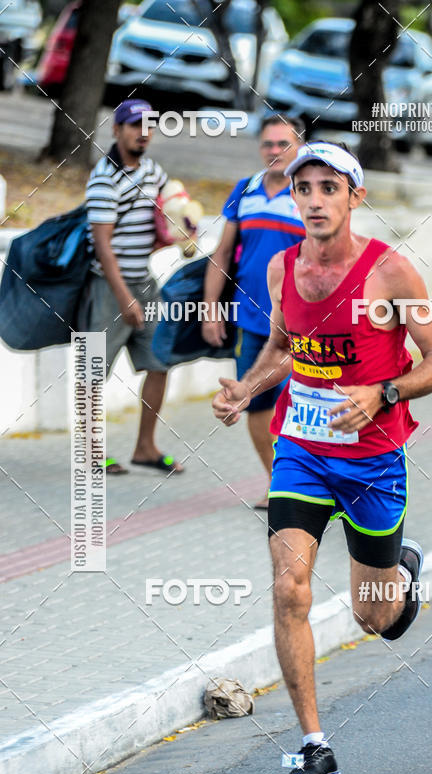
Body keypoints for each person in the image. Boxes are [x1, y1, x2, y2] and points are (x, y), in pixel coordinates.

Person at [212, 142, 432, 774]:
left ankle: (402, 570)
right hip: (302, 448)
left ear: (355, 197)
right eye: (304, 189)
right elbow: (286, 348)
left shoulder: (391, 273)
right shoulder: (282, 269)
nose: (315, 200)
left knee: (374, 618)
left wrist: (385, 393)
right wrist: (244, 388)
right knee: (290, 584)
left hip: (373, 457)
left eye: (328, 188)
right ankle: (314, 748)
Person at [202, 115, 305, 507]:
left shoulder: (309, 194)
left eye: (284, 144)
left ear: (299, 147)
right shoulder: (244, 190)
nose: (275, 151)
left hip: (302, 327)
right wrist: (211, 311)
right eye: (268, 144)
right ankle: (278, 483)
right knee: (256, 404)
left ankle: (309, 488)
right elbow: (223, 253)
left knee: (302, 408)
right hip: (251, 321)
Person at [85, 98, 183, 475]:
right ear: (116, 130)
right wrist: (125, 298)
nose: (142, 133)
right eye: (133, 125)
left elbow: (160, 218)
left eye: (149, 126)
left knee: (160, 362)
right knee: (93, 373)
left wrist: (173, 233)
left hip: (144, 281)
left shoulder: (153, 172)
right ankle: (91, 453)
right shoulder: (104, 179)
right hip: (109, 288)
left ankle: (145, 447)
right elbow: (103, 247)